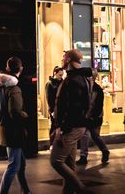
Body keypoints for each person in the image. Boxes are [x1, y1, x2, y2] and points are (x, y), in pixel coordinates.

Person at [50, 49, 92, 194]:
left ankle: (81, 189)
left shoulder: (73, 80)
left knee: (56, 161)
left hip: (71, 127)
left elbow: (71, 108)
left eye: (63, 57)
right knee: (69, 163)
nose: (61, 59)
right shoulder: (80, 78)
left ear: (68, 59)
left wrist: (61, 129)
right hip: (76, 126)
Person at [0, 57, 32, 194]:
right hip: (14, 131)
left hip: (3, 128)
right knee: (14, 165)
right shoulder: (14, 89)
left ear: (7, 68)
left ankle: (26, 190)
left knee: (21, 163)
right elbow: (15, 111)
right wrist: (25, 115)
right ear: (20, 69)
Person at [77, 69, 109, 165]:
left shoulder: (98, 90)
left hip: (95, 117)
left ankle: (104, 150)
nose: (88, 78)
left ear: (94, 78)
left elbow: (99, 105)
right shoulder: (83, 88)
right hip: (85, 117)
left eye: (90, 77)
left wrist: (93, 116)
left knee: (95, 136)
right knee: (84, 135)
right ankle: (83, 156)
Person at [46, 66, 64, 147]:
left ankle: (59, 144)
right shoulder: (50, 84)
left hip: (61, 108)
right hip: (54, 108)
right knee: (54, 126)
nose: (61, 77)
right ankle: (52, 144)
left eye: (62, 75)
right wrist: (52, 110)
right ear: (55, 73)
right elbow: (49, 97)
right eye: (60, 75)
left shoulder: (63, 83)